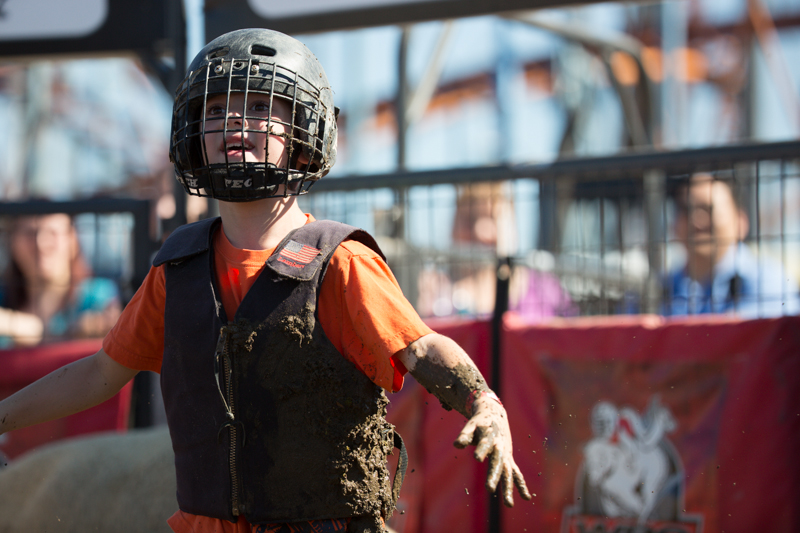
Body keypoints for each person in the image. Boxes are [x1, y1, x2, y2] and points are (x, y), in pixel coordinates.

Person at [0, 29, 530, 533]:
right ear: (191, 135)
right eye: (214, 110)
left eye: (258, 107)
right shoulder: (176, 270)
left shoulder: (339, 263)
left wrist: (484, 402)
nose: (234, 122)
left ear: (303, 135)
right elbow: (99, 374)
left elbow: (421, 348)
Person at [663, 172, 800, 317]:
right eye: (686, 210)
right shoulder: (661, 287)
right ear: (673, 226)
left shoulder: (768, 281)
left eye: (708, 209)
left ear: (741, 221)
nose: (696, 219)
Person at [0, 213, 121, 346]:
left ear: (72, 240)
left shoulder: (98, 296)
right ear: (13, 242)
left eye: (53, 233)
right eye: (30, 233)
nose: (41, 243)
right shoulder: (3, 298)